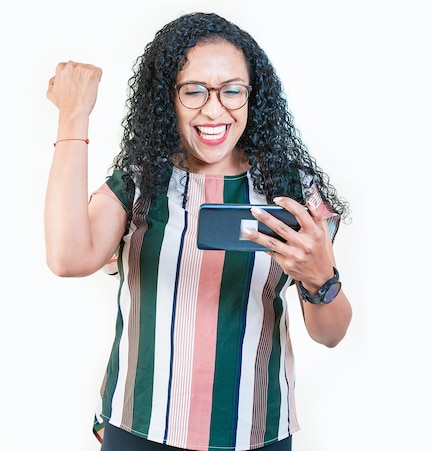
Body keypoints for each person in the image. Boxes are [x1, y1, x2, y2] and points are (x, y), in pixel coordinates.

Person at [44, 11, 352, 451]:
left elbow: (332, 334)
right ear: (166, 98)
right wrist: (74, 116)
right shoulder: (139, 181)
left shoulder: (294, 190)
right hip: (140, 429)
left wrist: (321, 277)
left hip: (255, 433)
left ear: (252, 95)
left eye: (232, 90)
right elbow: (67, 257)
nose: (214, 109)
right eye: (193, 91)